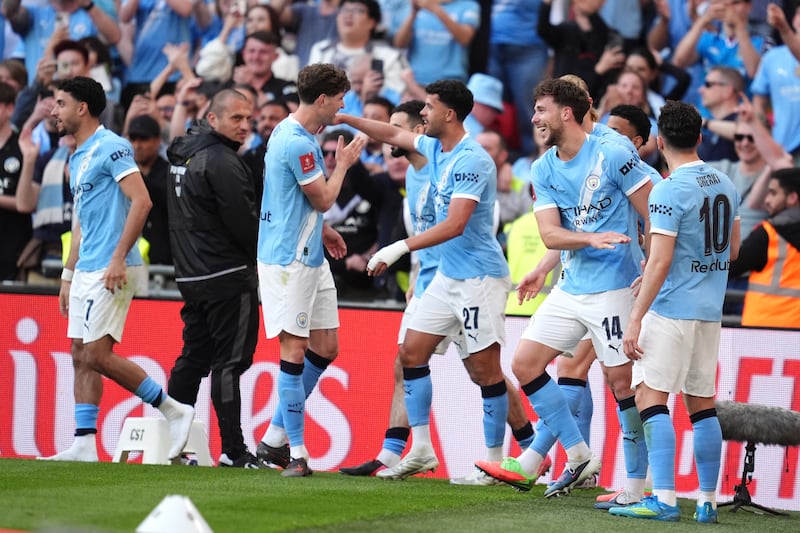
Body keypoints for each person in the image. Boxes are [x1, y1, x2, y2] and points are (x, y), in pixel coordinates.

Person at [338, 100, 537, 484]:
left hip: (475, 279)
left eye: (428, 109)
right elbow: (390, 133)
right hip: (438, 280)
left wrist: (399, 248)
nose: (391, 140)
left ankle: (519, 454)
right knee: (408, 356)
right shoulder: (419, 168)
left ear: (431, 123)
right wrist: (344, 117)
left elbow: (460, 226)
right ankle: (410, 448)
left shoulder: (462, 163)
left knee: (484, 370)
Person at [476, 78, 654, 499]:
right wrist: (586, 242)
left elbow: (655, 211)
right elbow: (551, 234)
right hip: (571, 288)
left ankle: (638, 485)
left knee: (622, 385)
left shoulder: (613, 153)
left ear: (566, 113)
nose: (534, 119)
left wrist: (652, 263)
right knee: (525, 365)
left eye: (541, 110)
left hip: (616, 288)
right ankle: (578, 453)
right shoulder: (542, 168)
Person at [41, 77, 194, 462]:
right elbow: (81, 222)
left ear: (82, 108)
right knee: (79, 352)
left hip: (114, 266)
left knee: (96, 353)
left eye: (60, 103)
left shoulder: (112, 147)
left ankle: (173, 410)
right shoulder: (77, 156)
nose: (53, 111)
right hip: (87, 268)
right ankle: (84, 443)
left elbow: (142, 202)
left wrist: (117, 258)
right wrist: (68, 275)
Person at [611, 100, 740, 523]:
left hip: (671, 309)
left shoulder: (667, 190)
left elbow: (661, 261)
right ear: (700, 137)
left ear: (659, 141)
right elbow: (732, 250)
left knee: (650, 396)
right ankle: (707, 502)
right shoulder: (725, 182)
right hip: (710, 311)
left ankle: (664, 499)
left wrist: (635, 318)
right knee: (702, 405)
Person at [255, 64, 366, 477]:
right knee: (293, 349)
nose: (342, 106)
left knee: (326, 346)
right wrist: (344, 164)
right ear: (322, 99)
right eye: (339, 99)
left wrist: (324, 230)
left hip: (308, 254)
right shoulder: (299, 143)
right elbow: (322, 199)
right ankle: (297, 453)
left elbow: (291, 200)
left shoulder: (289, 133)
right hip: (289, 260)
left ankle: (272, 439)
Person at [165, 89, 262, 468]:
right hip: (227, 275)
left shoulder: (182, 153)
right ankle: (233, 451)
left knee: (192, 359)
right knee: (229, 364)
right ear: (213, 118)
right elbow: (244, 224)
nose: (244, 125)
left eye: (248, 118)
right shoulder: (222, 161)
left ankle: (173, 445)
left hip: (191, 275)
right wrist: (262, 260)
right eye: (236, 118)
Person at [730, 168, 800, 329]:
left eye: (773, 193)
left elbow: (729, 267)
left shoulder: (768, 234)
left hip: (764, 328)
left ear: (792, 198)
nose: (766, 200)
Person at [128, 115, 171, 267]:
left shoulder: (169, 173)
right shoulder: (125, 174)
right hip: (131, 260)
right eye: (133, 139)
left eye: (143, 139)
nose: (137, 145)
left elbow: (162, 196)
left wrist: (134, 176)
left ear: (158, 141)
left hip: (163, 262)